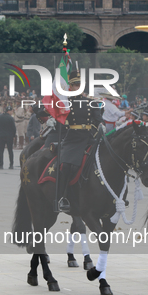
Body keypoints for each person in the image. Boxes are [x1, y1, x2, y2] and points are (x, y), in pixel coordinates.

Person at [57, 70, 103, 213]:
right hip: (73, 138)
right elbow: (61, 120)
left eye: (79, 85)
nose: (78, 87)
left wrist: (96, 131)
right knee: (66, 166)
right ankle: (63, 196)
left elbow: (97, 120)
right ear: (70, 87)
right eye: (75, 85)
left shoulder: (91, 102)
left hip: (89, 137)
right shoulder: (66, 103)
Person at [0, 106, 16, 170]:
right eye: (12, 111)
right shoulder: (11, 118)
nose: (12, 112)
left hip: (1, 135)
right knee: (10, 151)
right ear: (9, 111)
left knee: (1, 151)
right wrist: (14, 135)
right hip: (9, 136)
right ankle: (11, 165)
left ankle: (1, 165)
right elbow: (14, 128)